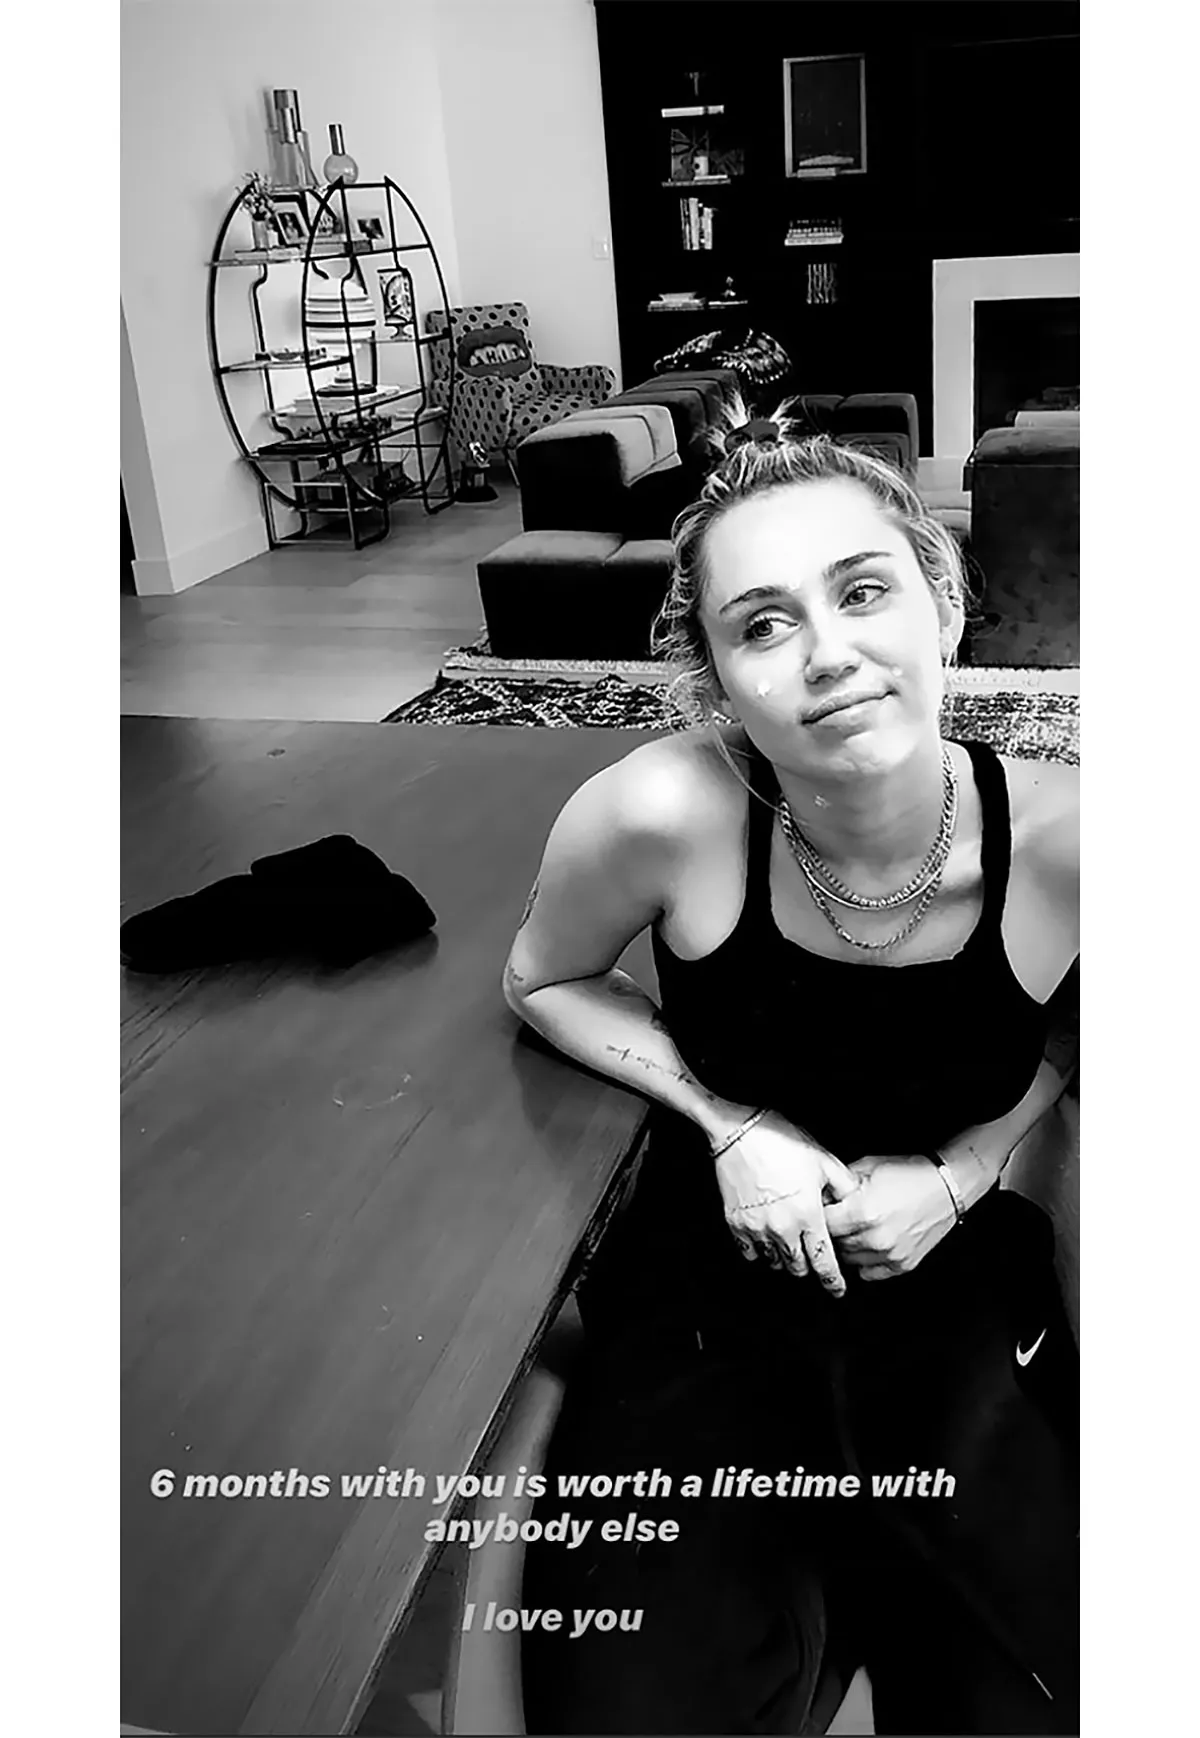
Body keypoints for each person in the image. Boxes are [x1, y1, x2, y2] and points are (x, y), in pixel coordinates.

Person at [503, 407, 1079, 1736]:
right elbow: (541, 978)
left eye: (863, 591)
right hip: (703, 1299)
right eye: (762, 624)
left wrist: (963, 1172)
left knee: (1039, 1678)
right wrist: (729, 1121)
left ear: (944, 607)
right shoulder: (658, 811)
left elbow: (1080, 1032)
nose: (826, 652)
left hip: (949, 1293)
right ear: (716, 680)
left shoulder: (1078, 843)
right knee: (627, 1704)